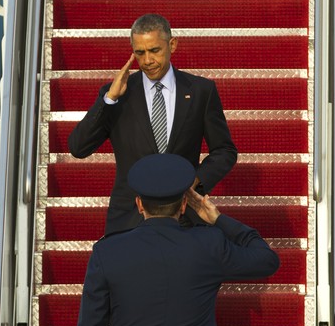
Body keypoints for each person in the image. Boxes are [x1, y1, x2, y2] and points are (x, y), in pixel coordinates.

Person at [76, 154, 280, 326]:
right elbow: (267, 259)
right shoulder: (209, 244)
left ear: (139, 204)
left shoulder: (108, 252)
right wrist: (218, 218)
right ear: (184, 205)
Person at [68, 13, 237, 236]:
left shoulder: (200, 91)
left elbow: (224, 150)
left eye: (155, 50)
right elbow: (78, 148)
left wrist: (194, 182)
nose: (147, 60)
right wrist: (109, 99)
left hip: (184, 218)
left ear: (172, 45)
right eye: (140, 53)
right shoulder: (117, 95)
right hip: (129, 221)